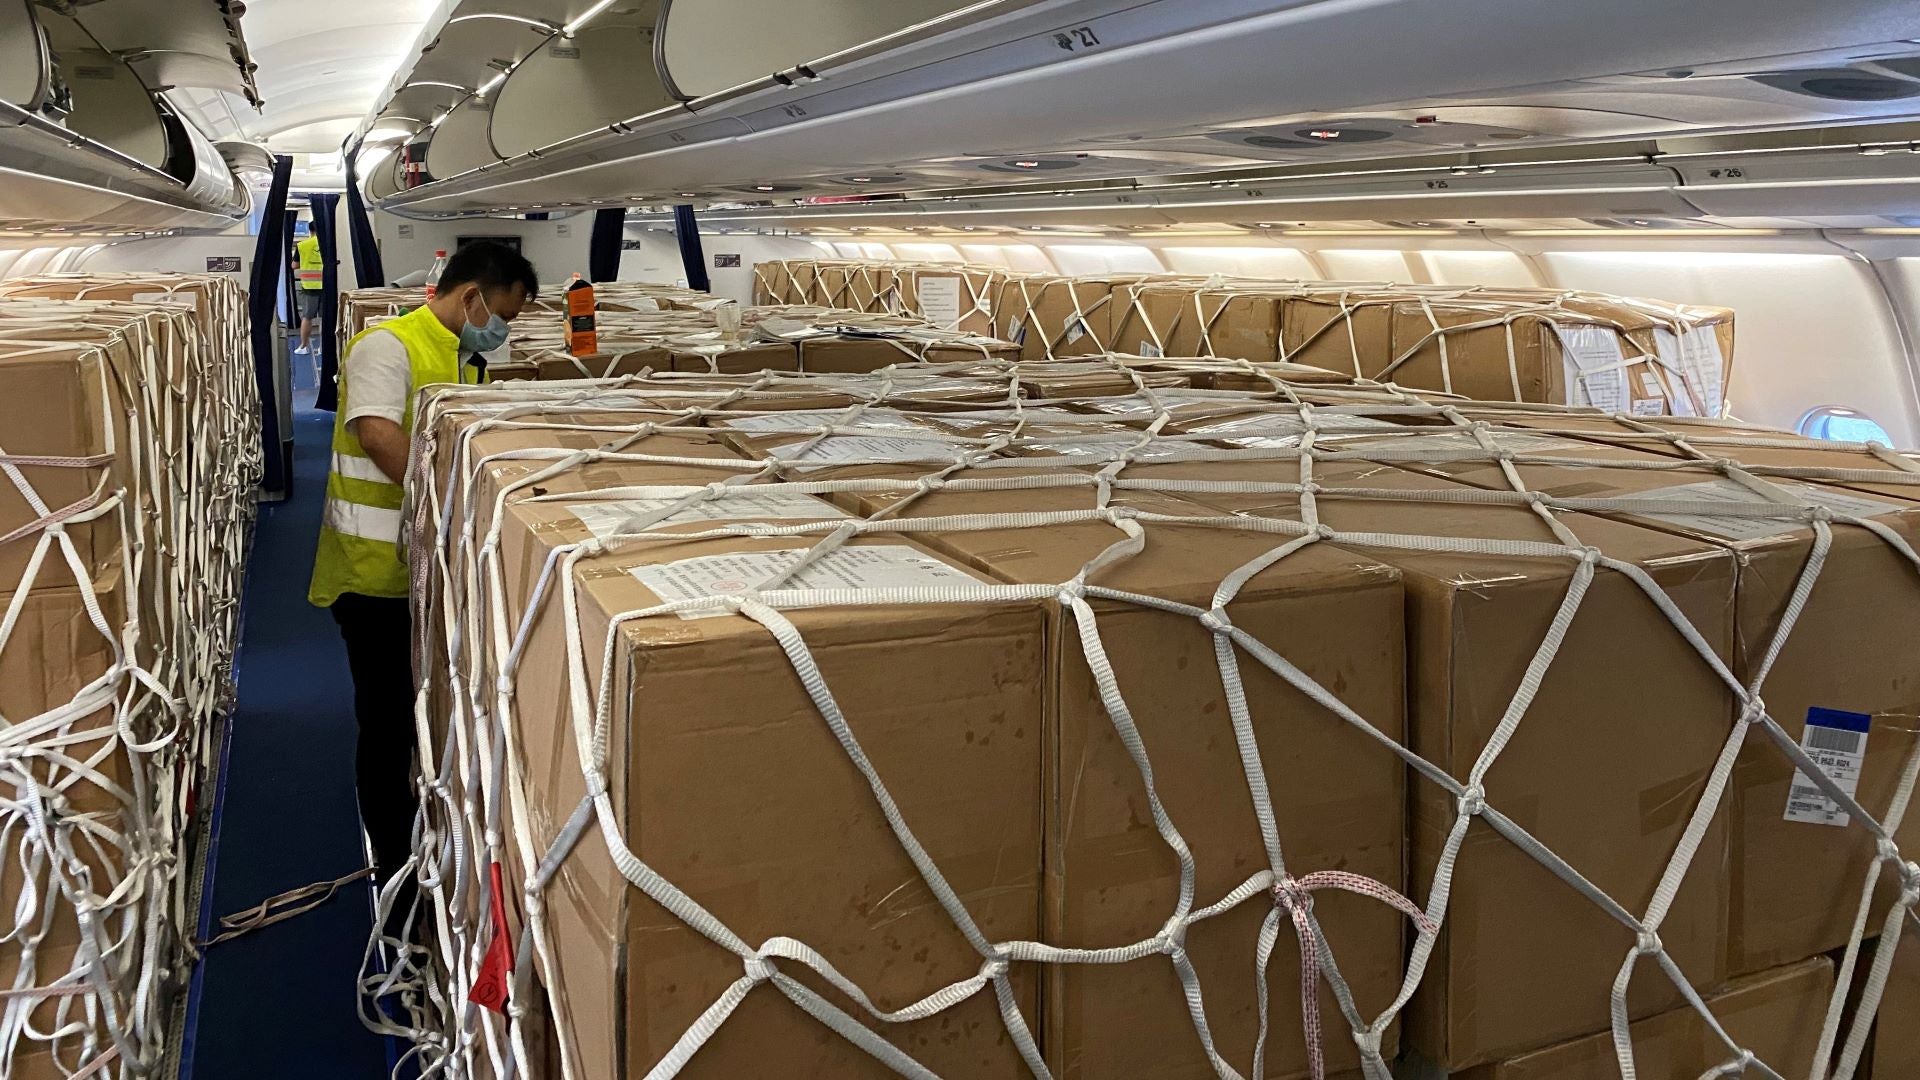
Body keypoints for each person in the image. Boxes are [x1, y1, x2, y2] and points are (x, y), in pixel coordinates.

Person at [308, 241, 538, 886]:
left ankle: (430, 831)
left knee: (425, 705)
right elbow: (378, 434)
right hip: (374, 571)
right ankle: (390, 865)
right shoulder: (388, 346)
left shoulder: (464, 357)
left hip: (428, 567)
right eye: (502, 315)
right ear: (471, 297)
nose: (502, 330)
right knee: (384, 721)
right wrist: (459, 503)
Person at [292, 224, 325, 353]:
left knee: (307, 317)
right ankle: (323, 347)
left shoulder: (303, 245)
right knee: (324, 318)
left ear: (310, 230)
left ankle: (304, 346)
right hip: (326, 286)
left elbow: (294, 265)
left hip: (310, 287)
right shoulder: (328, 244)